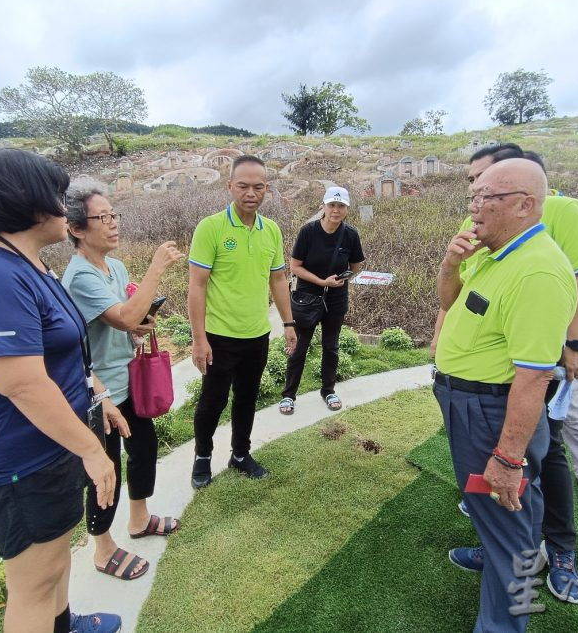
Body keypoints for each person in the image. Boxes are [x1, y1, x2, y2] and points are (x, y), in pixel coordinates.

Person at [0, 149, 124, 633]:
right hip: (17, 462)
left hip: (50, 449)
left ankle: (66, 625)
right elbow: (20, 383)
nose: (67, 210)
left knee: (55, 561)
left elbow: (65, 357)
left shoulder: (32, 267)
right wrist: (93, 452)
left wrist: (98, 401)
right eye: (58, 197)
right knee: (34, 585)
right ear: (27, 202)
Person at [434, 158, 577, 632]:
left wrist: (509, 456)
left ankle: (502, 622)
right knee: (506, 506)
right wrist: (451, 263)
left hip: (490, 410)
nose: (474, 207)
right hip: (471, 403)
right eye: (472, 196)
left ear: (523, 205)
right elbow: (447, 302)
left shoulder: (537, 272)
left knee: (503, 511)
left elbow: (534, 376)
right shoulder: (495, 251)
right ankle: (507, 548)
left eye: (485, 198)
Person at [62, 185, 185, 581]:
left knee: (145, 448)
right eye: (103, 218)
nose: (113, 224)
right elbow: (122, 316)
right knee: (107, 468)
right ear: (79, 229)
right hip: (99, 393)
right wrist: (156, 269)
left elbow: (127, 319)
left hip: (127, 380)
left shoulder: (113, 268)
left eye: (114, 215)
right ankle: (102, 549)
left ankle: (139, 518)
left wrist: (139, 326)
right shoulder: (79, 275)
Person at [187, 154, 298, 488]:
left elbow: (278, 280)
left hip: (256, 335)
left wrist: (288, 324)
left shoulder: (272, 231)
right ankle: (203, 456)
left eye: (259, 186)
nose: (251, 193)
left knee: (247, 398)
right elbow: (197, 285)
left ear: (267, 189)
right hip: (218, 336)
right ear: (230, 187)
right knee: (212, 401)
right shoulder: (211, 228)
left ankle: (240, 454)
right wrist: (198, 339)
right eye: (243, 186)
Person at [278, 186, 365, 414]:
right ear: (323, 206)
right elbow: (295, 267)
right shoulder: (308, 232)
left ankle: (328, 390)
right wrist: (321, 282)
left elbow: (355, 266)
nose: (336, 210)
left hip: (336, 298)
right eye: (332, 205)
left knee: (331, 347)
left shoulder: (350, 235)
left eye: (341, 206)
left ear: (347, 209)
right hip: (307, 298)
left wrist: (342, 279)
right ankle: (289, 395)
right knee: (299, 347)